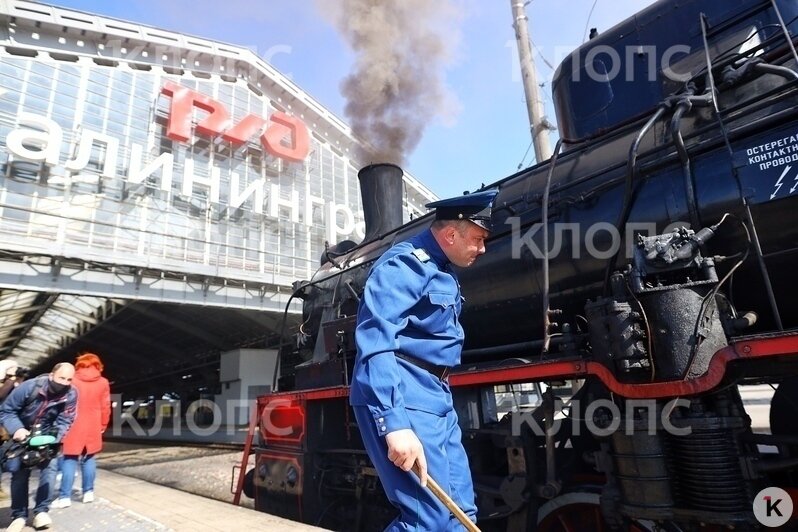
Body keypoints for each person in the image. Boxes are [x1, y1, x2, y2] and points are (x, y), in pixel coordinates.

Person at [350, 190, 497, 530]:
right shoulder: (405, 265)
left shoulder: (442, 270)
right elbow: (375, 343)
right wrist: (394, 422)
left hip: (436, 394)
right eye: (477, 239)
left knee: (461, 513)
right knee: (426, 520)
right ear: (450, 234)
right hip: (404, 393)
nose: (482, 248)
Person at [0, 362, 77, 532]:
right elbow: (6, 410)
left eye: (69, 379)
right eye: (61, 378)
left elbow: (66, 419)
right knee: (19, 474)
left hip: (47, 434)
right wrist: (17, 429)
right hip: (22, 432)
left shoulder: (71, 393)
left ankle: (41, 512)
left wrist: (54, 438)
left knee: (49, 470)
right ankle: (19, 516)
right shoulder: (29, 387)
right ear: (51, 375)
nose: (64, 383)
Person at [52, 353, 111, 508]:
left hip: (72, 424)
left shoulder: (72, 381)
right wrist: (103, 425)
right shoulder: (103, 382)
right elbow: (106, 407)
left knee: (69, 460)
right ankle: (88, 493)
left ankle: (65, 497)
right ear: (98, 365)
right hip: (93, 425)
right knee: (89, 459)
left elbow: (61, 403)